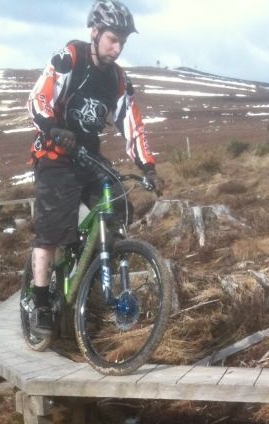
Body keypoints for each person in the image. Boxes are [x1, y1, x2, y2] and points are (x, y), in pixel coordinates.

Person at [26, 0, 163, 337]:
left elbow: (132, 123)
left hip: (88, 157)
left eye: (122, 42)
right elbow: (38, 98)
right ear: (95, 32)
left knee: (118, 203)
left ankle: (92, 265)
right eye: (112, 40)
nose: (117, 48)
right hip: (55, 155)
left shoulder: (117, 79)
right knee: (52, 232)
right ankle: (41, 302)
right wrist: (52, 127)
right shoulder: (71, 57)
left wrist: (148, 166)